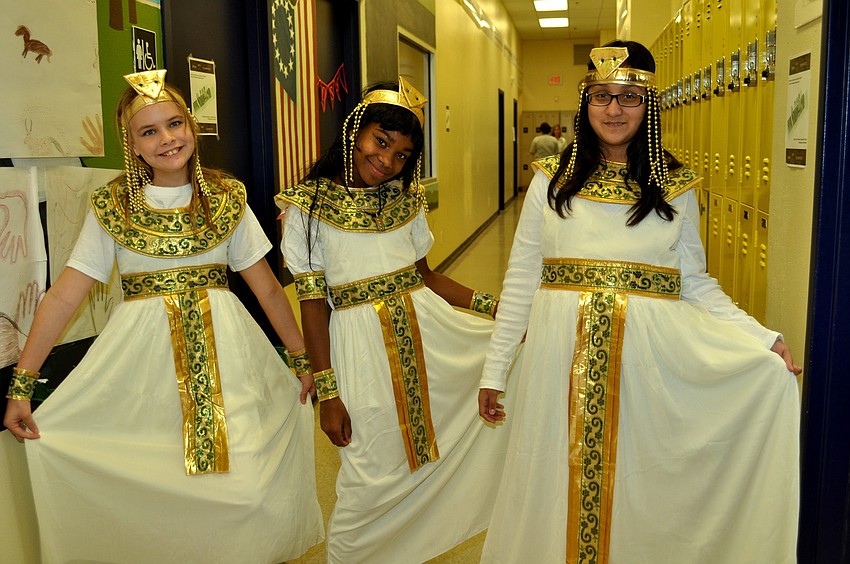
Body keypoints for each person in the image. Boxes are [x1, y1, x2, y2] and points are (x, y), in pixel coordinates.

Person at [478, 41, 801, 563]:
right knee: (554, 482)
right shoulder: (550, 182)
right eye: (602, 96)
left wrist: (764, 339)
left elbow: (694, 283)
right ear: (586, 103)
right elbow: (522, 279)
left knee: (633, 486)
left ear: (648, 105)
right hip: (557, 363)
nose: (613, 109)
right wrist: (495, 370)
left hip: (644, 368)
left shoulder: (675, 186)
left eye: (628, 97)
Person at [3, 70, 323, 563]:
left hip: (231, 360)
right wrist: (22, 384)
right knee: (164, 483)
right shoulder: (113, 206)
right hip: (144, 367)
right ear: (131, 146)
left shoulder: (226, 197)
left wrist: (302, 358)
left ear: (191, 127)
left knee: (246, 487)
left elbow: (268, 290)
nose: (167, 139)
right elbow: (64, 297)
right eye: (149, 132)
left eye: (175, 124)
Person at [276, 77, 515, 563]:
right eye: (379, 142)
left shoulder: (407, 201)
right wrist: (328, 392)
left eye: (402, 154)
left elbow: (427, 277)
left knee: (431, 447)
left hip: (428, 336)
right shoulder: (309, 206)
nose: (386, 160)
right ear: (354, 132)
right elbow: (313, 304)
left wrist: (500, 309)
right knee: (368, 473)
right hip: (358, 353)